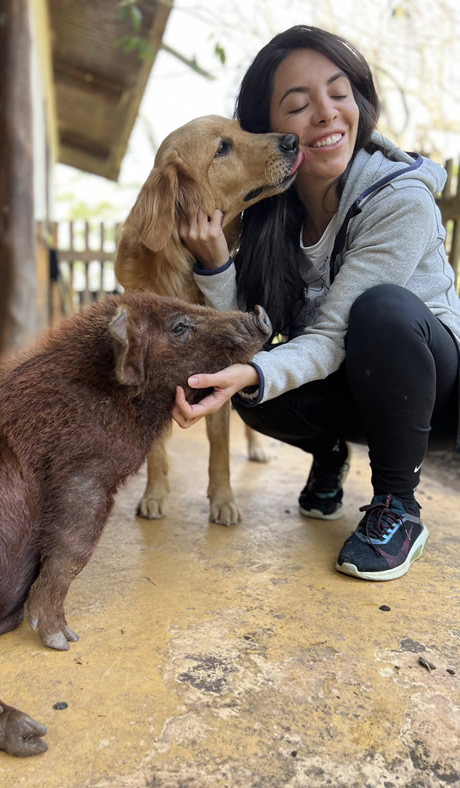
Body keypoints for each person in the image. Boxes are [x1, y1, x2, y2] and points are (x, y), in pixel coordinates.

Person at [173, 25, 460, 582]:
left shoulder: (399, 198)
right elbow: (253, 329)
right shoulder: (268, 212)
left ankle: (398, 505)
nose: (327, 114)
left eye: (339, 92)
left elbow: (331, 336)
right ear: (269, 129)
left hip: (434, 394)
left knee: (380, 311)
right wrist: (214, 262)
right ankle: (329, 453)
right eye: (300, 105)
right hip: (355, 386)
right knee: (251, 387)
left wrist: (253, 368)